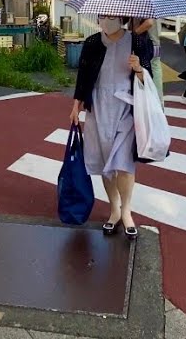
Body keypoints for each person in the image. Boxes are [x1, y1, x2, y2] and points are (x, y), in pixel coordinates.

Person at [68, 15, 154, 241]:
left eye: (111, 17)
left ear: (123, 18)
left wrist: (139, 70)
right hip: (98, 107)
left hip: (126, 108)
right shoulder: (92, 43)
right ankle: (114, 208)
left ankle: (126, 210)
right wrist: (76, 105)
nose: (106, 21)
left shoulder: (138, 41)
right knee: (106, 163)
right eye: (102, 16)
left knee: (123, 163)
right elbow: (83, 77)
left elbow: (149, 78)